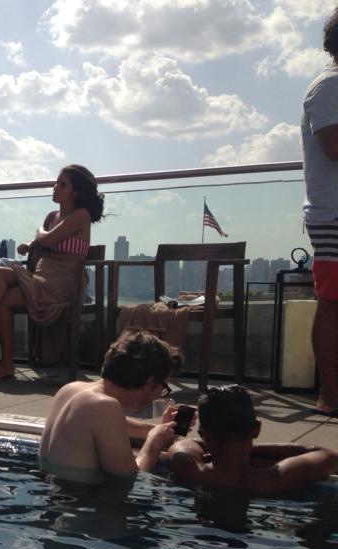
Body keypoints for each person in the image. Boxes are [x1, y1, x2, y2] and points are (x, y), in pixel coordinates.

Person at [0, 164, 105, 380]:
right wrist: (29, 244)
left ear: (75, 192)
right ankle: (5, 362)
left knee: (0, 278)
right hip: (40, 279)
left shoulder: (81, 215)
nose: (55, 187)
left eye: (62, 185)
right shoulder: (52, 216)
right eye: (56, 183)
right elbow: (40, 240)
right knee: (1, 291)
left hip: (63, 284)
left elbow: (46, 238)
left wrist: (38, 232)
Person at [39, 330, 182, 483]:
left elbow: (110, 425)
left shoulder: (71, 390)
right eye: (164, 387)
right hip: (80, 496)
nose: (160, 394)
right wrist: (155, 441)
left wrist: (157, 429)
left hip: (53, 489)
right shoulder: (106, 407)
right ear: (149, 383)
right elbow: (131, 478)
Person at [169, 386, 338, 494]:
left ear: (204, 434)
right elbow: (328, 455)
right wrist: (248, 449)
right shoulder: (276, 480)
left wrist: (227, 447)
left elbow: (184, 444)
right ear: (256, 429)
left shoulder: (188, 468)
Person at [301, 9, 338, 418]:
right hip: (333, 215)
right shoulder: (329, 86)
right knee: (332, 302)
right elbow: (333, 145)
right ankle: (330, 395)